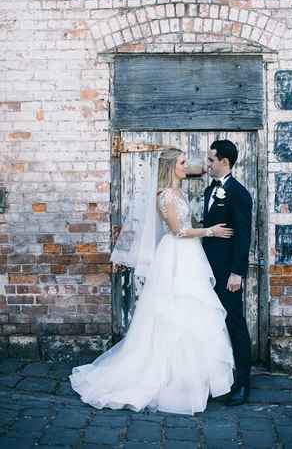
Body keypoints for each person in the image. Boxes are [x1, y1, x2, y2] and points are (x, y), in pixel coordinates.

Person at [69, 148, 234, 415]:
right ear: (171, 167)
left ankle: (191, 378)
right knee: (172, 310)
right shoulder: (166, 195)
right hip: (176, 253)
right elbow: (178, 230)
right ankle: (168, 378)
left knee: (190, 310)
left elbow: (187, 215)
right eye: (182, 163)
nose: (186, 166)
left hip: (189, 254)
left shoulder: (178, 192)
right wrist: (210, 231)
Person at [203, 139, 253, 406]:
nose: (208, 164)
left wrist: (237, 273)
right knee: (211, 325)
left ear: (224, 161)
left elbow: (244, 237)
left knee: (235, 324)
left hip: (228, 274)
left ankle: (243, 384)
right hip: (207, 272)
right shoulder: (210, 190)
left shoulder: (239, 194)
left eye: (211, 160)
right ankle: (215, 379)